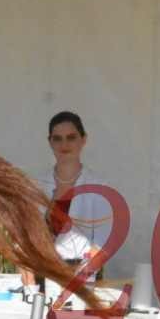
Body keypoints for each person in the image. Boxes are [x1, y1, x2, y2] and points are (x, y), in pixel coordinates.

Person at [34, 110, 113, 267]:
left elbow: (103, 243)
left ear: (83, 140)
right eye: (57, 139)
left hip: (81, 275)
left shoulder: (99, 187)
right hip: (41, 272)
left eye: (71, 138)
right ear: (50, 142)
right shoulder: (37, 185)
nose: (64, 145)